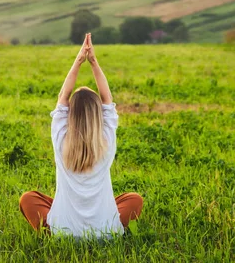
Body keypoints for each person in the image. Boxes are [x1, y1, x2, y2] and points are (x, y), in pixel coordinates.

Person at [19, 33, 143, 237]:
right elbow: (108, 99)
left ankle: (53, 233)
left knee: (28, 198)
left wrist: (78, 61)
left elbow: (62, 96)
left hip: (64, 233)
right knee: (134, 199)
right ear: (98, 115)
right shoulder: (107, 141)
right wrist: (93, 62)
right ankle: (109, 228)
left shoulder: (60, 139)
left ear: (71, 113)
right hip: (106, 234)